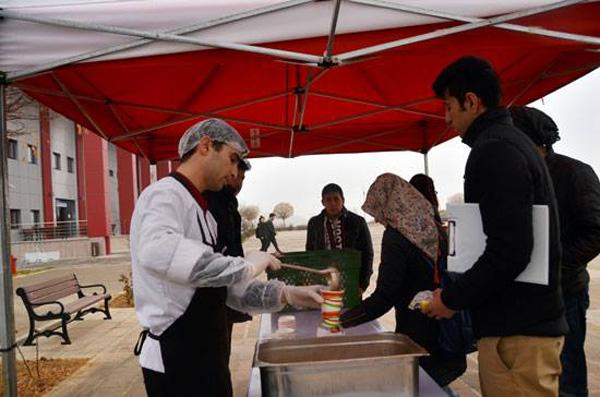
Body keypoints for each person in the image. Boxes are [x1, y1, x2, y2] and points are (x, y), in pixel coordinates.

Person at [130, 118, 323, 396]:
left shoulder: (205, 212)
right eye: (232, 159)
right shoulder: (164, 196)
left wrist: (288, 294)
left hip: (207, 352)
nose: (234, 172)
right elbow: (158, 253)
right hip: (177, 358)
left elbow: (223, 287)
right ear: (206, 146)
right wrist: (248, 265)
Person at [424, 56, 568, 397]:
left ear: (471, 101)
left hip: (517, 334)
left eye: (449, 107)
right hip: (524, 327)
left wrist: (452, 298)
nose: (446, 118)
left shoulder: (495, 150)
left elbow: (510, 250)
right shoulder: (508, 142)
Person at [340, 173, 466, 387]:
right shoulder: (435, 227)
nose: (379, 218)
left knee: (422, 387)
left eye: (378, 210)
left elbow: (385, 296)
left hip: (420, 341)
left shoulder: (397, 236)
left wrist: (341, 319)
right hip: (451, 335)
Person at [511, 106, 600, 397]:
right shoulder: (519, 177)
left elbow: (595, 232)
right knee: (537, 369)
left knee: (568, 370)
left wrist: (555, 267)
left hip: (566, 291)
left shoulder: (575, 173)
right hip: (528, 292)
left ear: (533, 142)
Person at [204, 157, 253, 364]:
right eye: (235, 176)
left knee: (223, 349)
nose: (238, 182)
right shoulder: (211, 202)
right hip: (213, 291)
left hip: (227, 287)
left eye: (242, 178)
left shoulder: (228, 203)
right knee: (214, 352)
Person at [306, 183, 374, 293]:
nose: (333, 203)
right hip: (324, 282)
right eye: (328, 200)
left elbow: (367, 254)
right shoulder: (314, 223)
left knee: (352, 310)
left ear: (343, 200)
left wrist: (363, 284)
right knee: (328, 310)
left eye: (336, 199)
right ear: (323, 202)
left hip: (352, 281)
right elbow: (310, 253)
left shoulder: (357, 221)